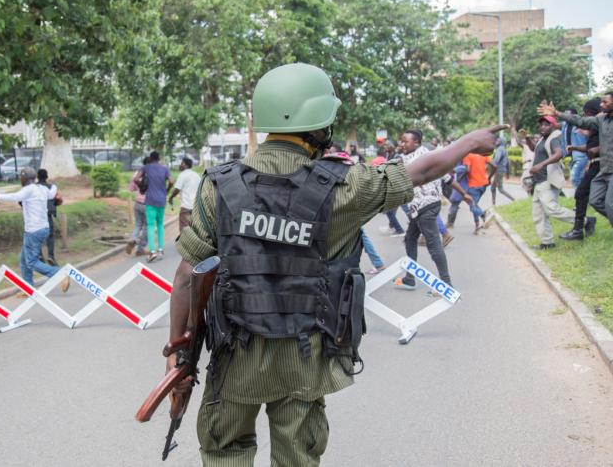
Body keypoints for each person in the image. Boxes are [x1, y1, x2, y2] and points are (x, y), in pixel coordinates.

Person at [164, 63, 504, 465]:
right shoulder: (348, 185)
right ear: (320, 124)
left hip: (236, 353)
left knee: (225, 452)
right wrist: (467, 141)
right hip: (306, 354)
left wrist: (178, 351)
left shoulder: (220, 183)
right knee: (297, 458)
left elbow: (188, 275)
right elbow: (422, 170)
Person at [0, 167, 69, 292]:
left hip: (33, 231)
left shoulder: (28, 190)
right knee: (23, 260)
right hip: (43, 228)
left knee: (31, 262)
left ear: (25, 178)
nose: (20, 180)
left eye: (21, 177)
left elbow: (15, 196)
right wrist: (55, 185)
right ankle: (28, 289)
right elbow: (52, 192)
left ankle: (59, 274)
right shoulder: (42, 188)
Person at [540, 94, 613, 229]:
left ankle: (580, 228)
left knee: (609, 203)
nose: (601, 105)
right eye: (601, 102)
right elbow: (581, 121)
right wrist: (557, 113)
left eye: (605, 102)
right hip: (604, 169)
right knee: (595, 200)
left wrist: (598, 148)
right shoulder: (602, 119)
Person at [395, 129, 455, 291]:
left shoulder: (418, 158)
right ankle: (409, 278)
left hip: (425, 205)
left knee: (434, 244)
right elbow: (446, 178)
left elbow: (445, 177)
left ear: (417, 143)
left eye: (405, 141)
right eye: (401, 141)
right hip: (419, 206)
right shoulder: (424, 155)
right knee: (410, 239)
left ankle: (446, 284)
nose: (402, 144)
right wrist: (464, 195)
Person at [521, 115, 575, 249]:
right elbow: (535, 149)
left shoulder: (554, 138)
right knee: (538, 214)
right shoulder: (543, 139)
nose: (543, 127)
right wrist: (527, 138)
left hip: (547, 180)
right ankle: (547, 242)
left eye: (546, 124)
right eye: (541, 125)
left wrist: (540, 165)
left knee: (552, 209)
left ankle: (583, 221)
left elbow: (558, 154)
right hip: (538, 181)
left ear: (553, 126)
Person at [559, 98, 602, 240]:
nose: (585, 116)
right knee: (589, 196)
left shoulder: (601, 124)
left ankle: (578, 230)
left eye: (587, 113)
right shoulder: (597, 127)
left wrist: (556, 113)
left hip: (602, 164)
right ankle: (579, 229)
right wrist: (576, 147)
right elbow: (591, 148)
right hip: (595, 163)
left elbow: (603, 146)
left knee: (585, 194)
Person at [142, 151, 174, 262]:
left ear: (150, 158)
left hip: (150, 200)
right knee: (160, 224)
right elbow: (172, 181)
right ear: (159, 158)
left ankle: (152, 252)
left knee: (151, 225)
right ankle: (160, 249)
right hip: (161, 200)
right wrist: (167, 190)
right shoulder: (164, 168)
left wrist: (142, 188)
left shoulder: (146, 167)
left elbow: (136, 178)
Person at [169, 157, 201, 233]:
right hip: (197, 207)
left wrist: (171, 198)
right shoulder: (196, 175)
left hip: (186, 207)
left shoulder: (182, 175)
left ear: (184, 164)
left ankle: (186, 244)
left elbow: (177, 189)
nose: (180, 165)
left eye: (181, 163)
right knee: (195, 229)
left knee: (184, 230)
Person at [462, 152, 492, 233]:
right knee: (475, 204)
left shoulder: (468, 155)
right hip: (483, 185)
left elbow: (467, 169)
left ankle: (484, 215)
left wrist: (460, 178)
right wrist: (489, 177)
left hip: (474, 185)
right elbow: (493, 165)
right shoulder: (483, 153)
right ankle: (477, 226)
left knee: (472, 207)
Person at [126, 157, 150, 256]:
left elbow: (131, 188)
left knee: (138, 224)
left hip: (138, 203)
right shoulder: (153, 175)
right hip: (149, 204)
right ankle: (140, 248)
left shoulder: (137, 174)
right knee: (148, 226)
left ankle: (133, 238)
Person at [36, 168, 60, 265]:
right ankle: (51, 256)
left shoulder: (34, 187)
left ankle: (40, 255)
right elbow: (58, 200)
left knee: (38, 236)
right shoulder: (52, 187)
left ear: (37, 177)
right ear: (47, 177)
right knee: (50, 236)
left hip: (37, 215)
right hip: (48, 214)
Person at [487, 137, 515, 205]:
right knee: (493, 188)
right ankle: (493, 205)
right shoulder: (504, 149)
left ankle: (514, 200)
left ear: (501, 142)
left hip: (498, 171)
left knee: (500, 189)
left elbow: (496, 161)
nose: (496, 141)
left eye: (498, 140)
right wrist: (508, 173)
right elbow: (508, 162)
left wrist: (488, 161)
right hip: (501, 170)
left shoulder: (499, 149)